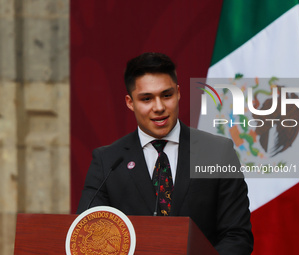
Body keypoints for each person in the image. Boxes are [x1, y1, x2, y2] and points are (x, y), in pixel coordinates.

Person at [77, 52, 253, 254]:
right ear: (130, 102)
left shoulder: (217, 152)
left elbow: (237, 236)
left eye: (166, 95)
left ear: (178, 93)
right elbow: (87, 234)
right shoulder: (107, 161)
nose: (159, 107)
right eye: (146, 99)